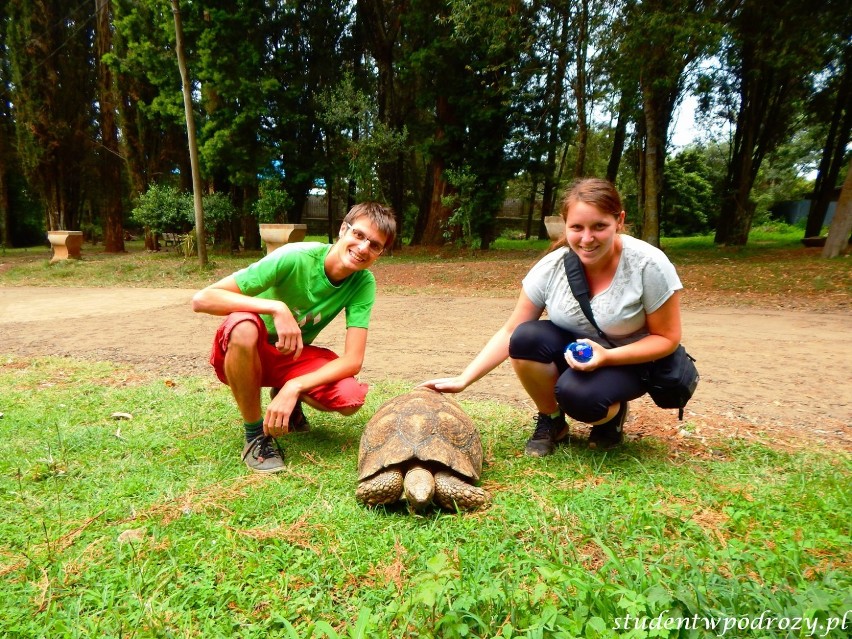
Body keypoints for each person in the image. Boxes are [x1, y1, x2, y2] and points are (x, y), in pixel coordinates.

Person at [420, 178, 683, 456]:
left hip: (629, 359)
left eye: (599, 226)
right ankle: (552, 420)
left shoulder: (648, 264)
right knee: (526, 337)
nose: (586, 239)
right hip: (578, 355)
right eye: (577, 227)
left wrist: (606, 357)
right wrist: (464, 379)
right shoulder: (553, 266)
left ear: (619, 220)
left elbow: (667, 338)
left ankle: (610, 417)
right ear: (565, 224)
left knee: (580, 399)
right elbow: (512, 331)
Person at [192, 202, 396, 473]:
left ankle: (286, 394)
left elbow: (353, 360)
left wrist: (294, 387)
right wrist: (275, 307)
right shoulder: (295, 256)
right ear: (342, 229)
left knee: (349, 398)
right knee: (243, 325)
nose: (363, 248)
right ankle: (255, 436)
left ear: (379, 254)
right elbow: (203, 299)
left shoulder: (363, 283)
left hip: (290, 356)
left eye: (374, 245)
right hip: (242, 350)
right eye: (358, 235)